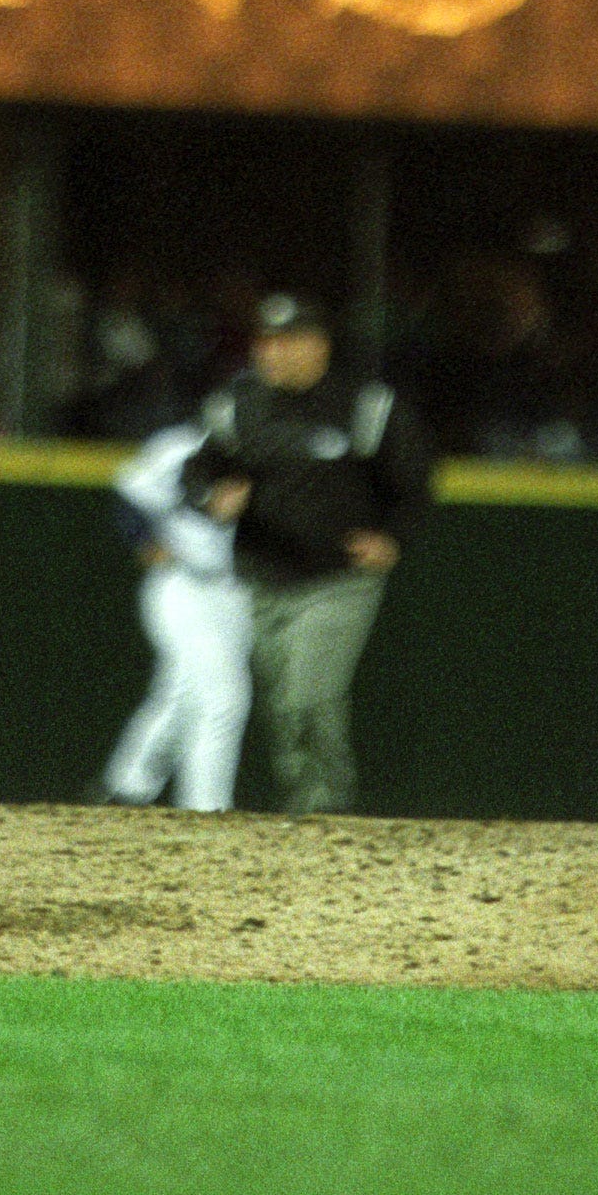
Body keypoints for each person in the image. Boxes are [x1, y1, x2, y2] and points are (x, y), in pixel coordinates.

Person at [184, 292, 433, 815]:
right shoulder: (238, 404)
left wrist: (392, 537)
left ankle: (328, 812)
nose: (272, 353)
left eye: (286, 341)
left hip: (336, 580)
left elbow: (413, 483)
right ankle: (303, 812)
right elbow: (198, 471)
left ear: (318, 345)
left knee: (308, 696)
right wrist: (211, 498)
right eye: (265, 342)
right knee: (284, 708)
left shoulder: (364, 407)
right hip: (262, 577)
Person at [93, 418, 252, 810]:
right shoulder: (184, 444)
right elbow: (129, 495)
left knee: (181, 693)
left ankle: (125, 789)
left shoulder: (276, 450)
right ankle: (206, 809)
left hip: (241, 591)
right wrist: (145, 541)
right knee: (223, 697)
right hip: (185, 584)